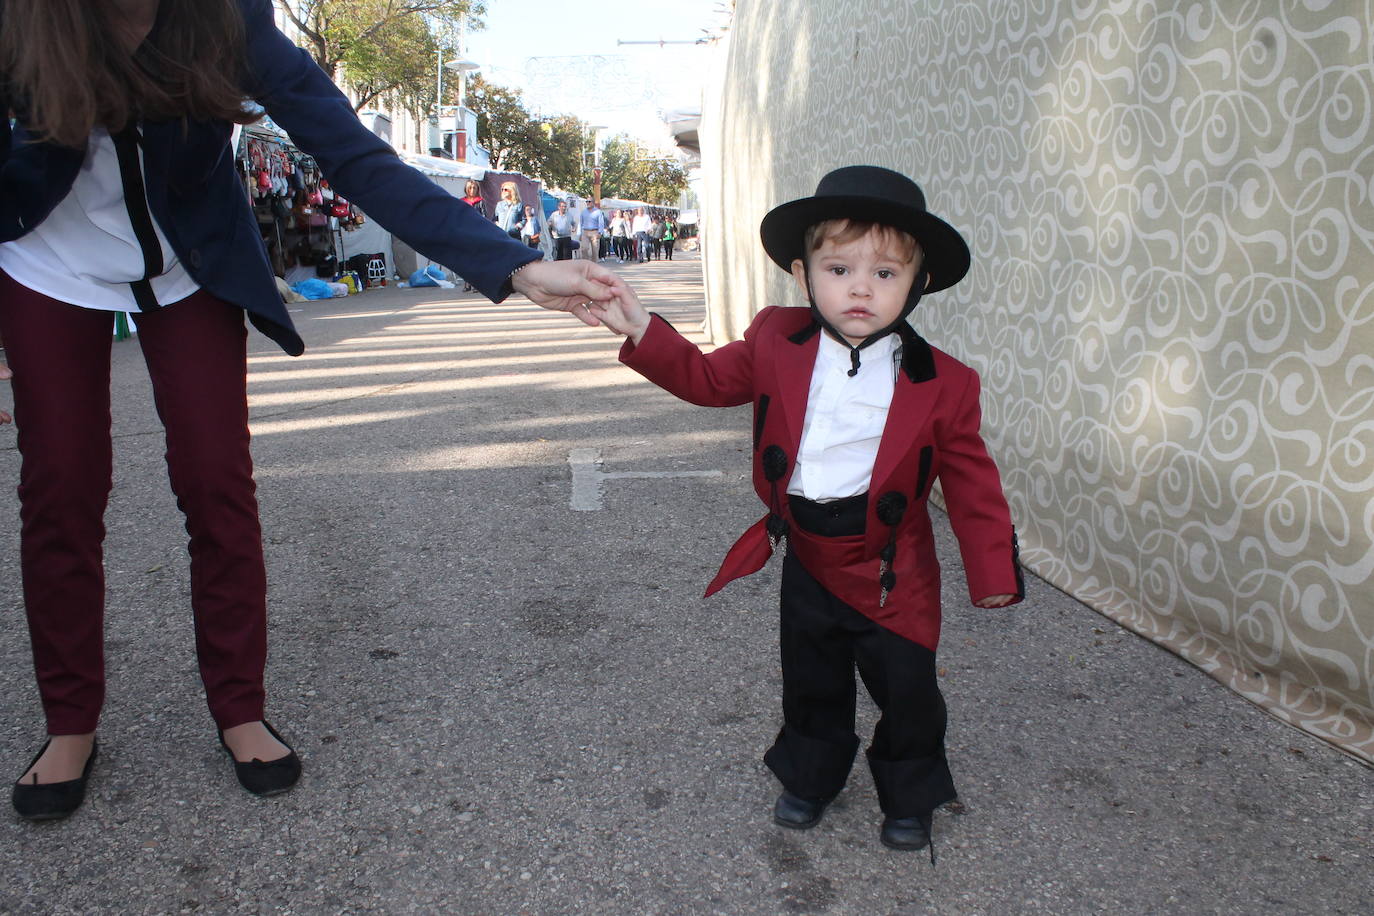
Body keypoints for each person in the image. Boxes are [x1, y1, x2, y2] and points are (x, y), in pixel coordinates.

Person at [0, 0, 620, 822]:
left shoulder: (232, 19)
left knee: (217, 481)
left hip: (192, 263)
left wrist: (511, 265)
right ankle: (71, 721)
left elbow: (356, 158)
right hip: (46, 257)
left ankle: (238, 706)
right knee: (62, 486)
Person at [589, 165, 1022, 856]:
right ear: (803, 274)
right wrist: (641, 327)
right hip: (810, 558)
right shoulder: (774, 340)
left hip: (893, 568)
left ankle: (909, 794)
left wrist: (992, 570)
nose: (859, 287)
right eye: (839, 267)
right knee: (812, 680)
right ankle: (812, 777)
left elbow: (973, 480)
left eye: (885, 273)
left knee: (908, 692)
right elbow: (705, 380)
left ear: (920, 285)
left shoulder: (946, 383)